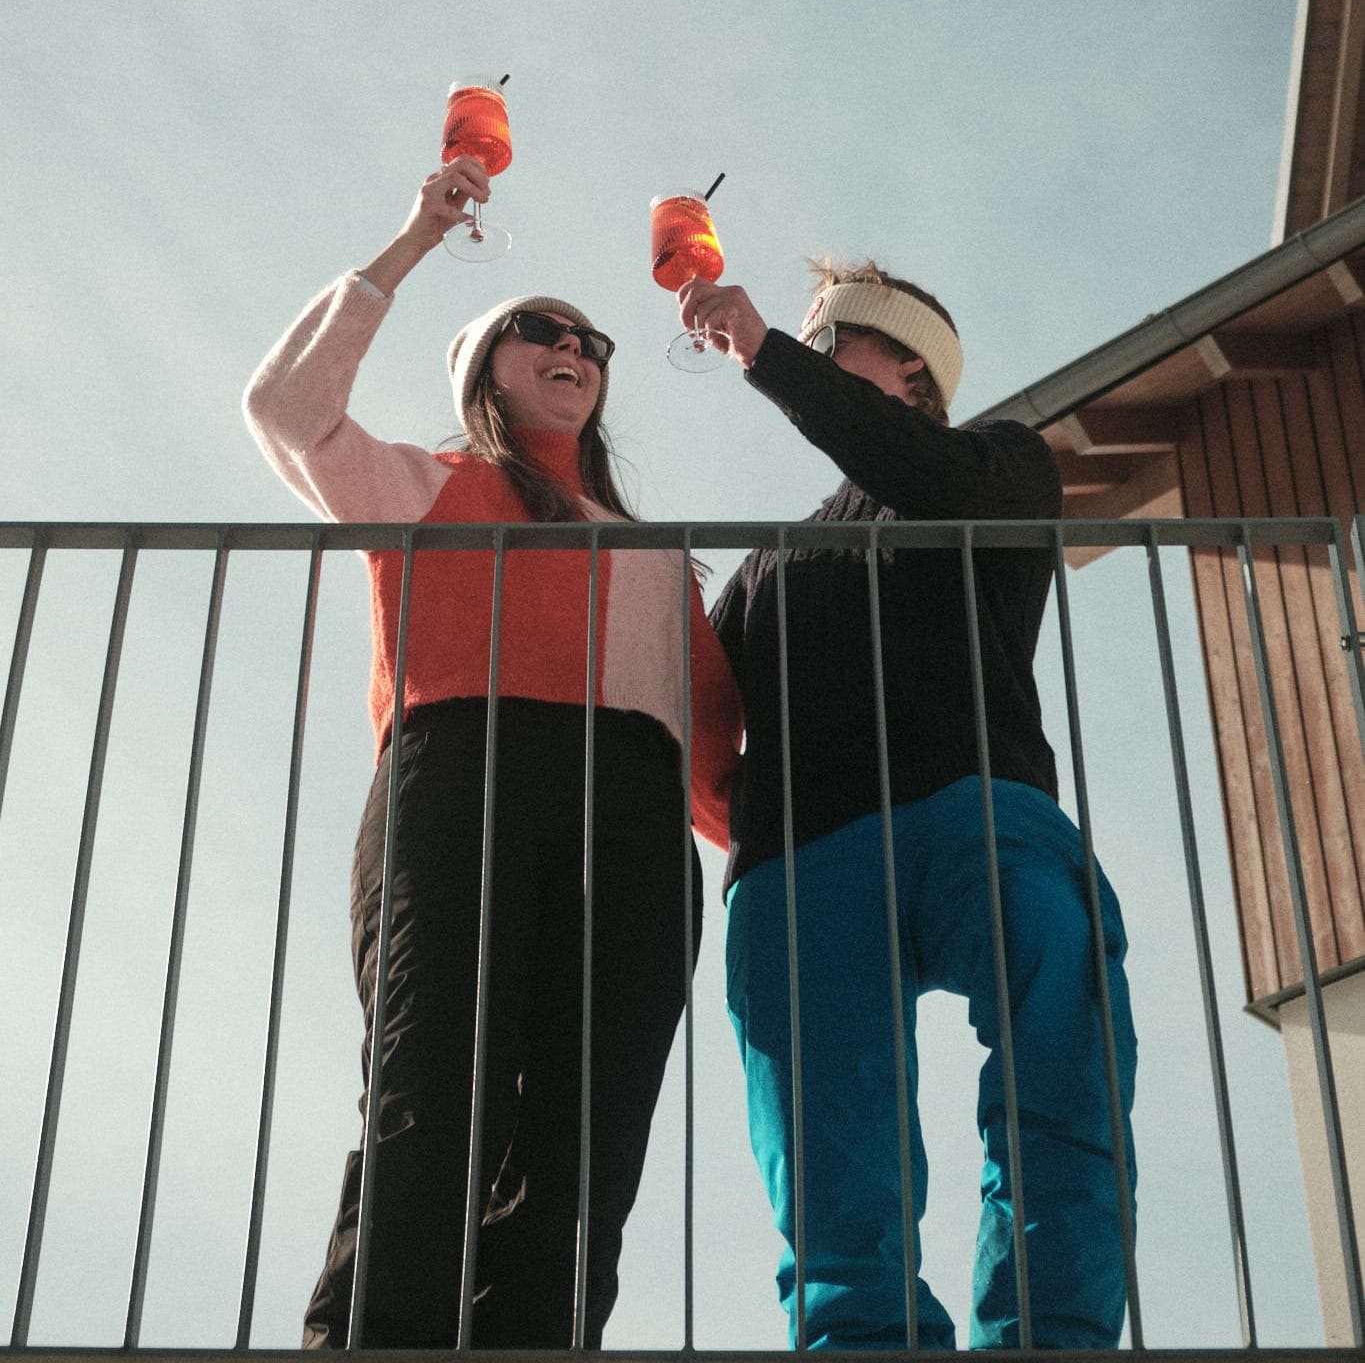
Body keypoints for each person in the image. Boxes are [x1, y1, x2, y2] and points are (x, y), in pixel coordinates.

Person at [243, 156, 743, 1351]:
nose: (574, 346)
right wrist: (416, 237)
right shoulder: (426, 483)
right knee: (434, 1107)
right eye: (538, 329)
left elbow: (717, 760)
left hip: (629, 820)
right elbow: (286, 407)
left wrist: (802, 866)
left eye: (593, 338)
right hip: (461, 781)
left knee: (586, 1148)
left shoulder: (655, 555)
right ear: (483, 367)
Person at [676, 255, 1137, 1352]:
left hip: (973, 809)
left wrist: (761, 354)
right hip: (801, 862)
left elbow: (917, 471)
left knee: (1064, 1037)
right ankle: (861, 1340)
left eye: (831, 342)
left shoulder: (1001, 462)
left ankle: (1047, 1331)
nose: (811, 357)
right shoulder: (765, 567)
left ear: (911, 367)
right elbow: (696, 726)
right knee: (827, 1150)